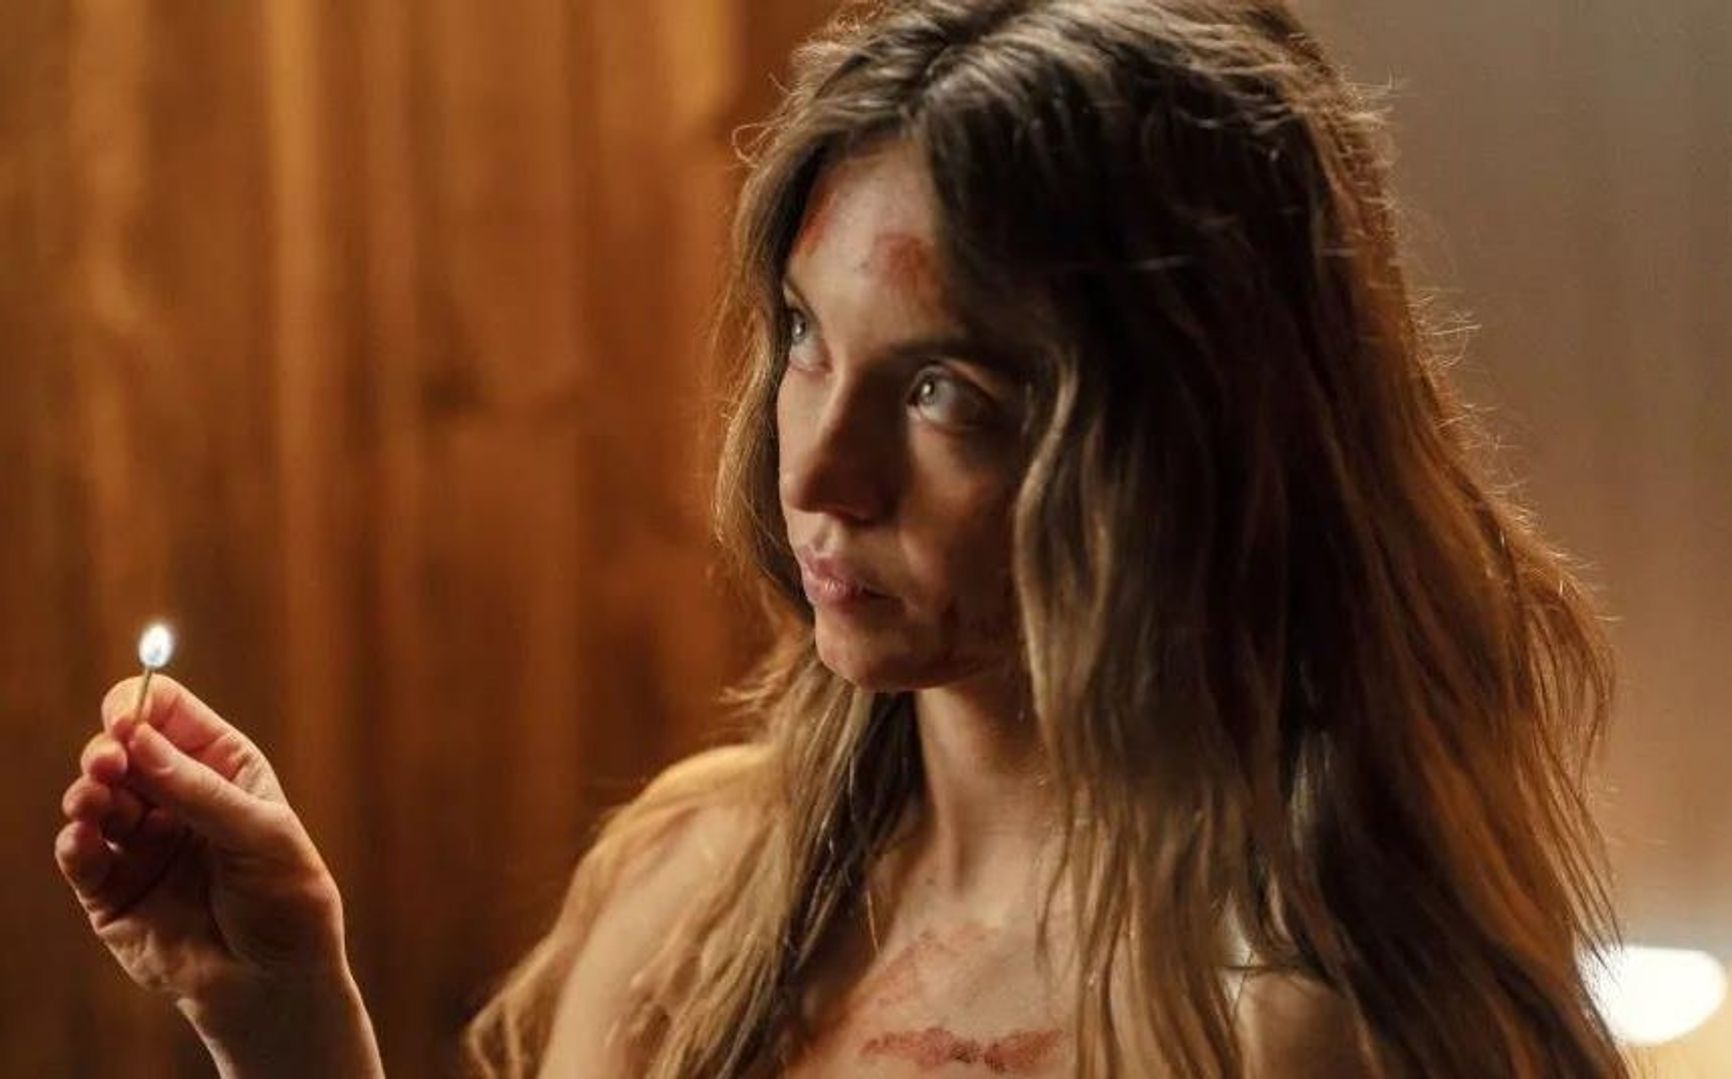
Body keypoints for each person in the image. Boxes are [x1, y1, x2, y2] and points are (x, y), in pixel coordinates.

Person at [54, 1, 1631, 1075]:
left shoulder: (1303, 1031)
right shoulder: (690, 892)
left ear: (1183, 442)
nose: (818, 469)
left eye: (946, 392)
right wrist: (286, 1025)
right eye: (808, 338)